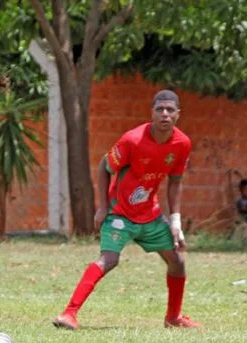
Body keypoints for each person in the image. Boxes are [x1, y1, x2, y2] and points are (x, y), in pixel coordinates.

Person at [53, 90, 200, 330]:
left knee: (178, 262)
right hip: (119, 213)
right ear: (151, 113)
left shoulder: (182, 144)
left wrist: (175, 221)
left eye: (170, 110)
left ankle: (173, 318)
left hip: (150, 216)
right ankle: (69, 314)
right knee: (109, 260)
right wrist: (102, 208)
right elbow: (104, 166)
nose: (164, 114)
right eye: (159, 109)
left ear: (178, 115)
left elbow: (175, 181)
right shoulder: (132, 140)